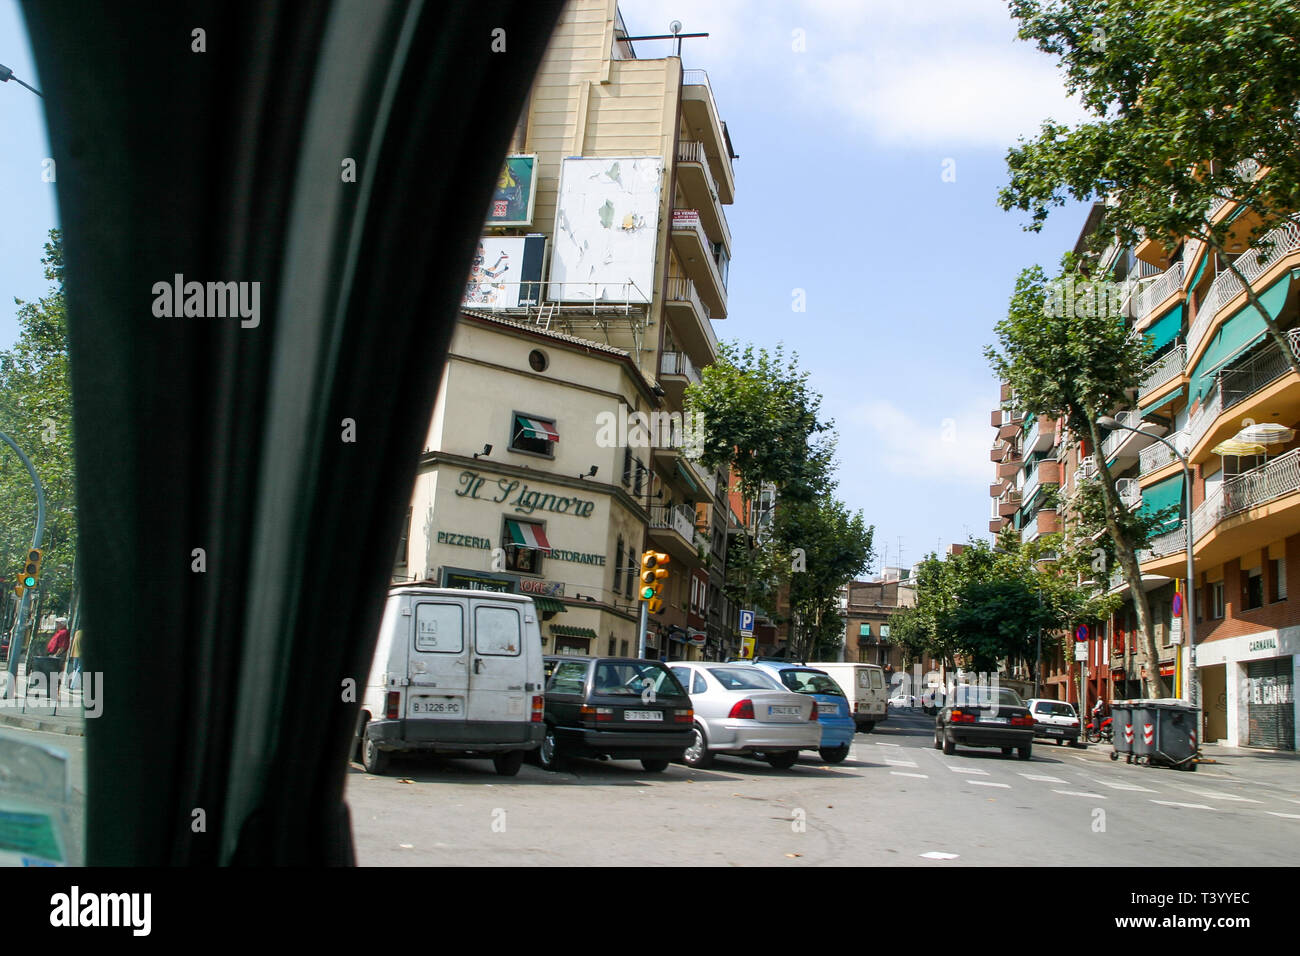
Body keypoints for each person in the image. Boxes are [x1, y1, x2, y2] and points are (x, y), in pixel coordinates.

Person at [67, 627, 84, 692]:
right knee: (79, 669)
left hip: (75, 653)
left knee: (75, 669)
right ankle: (72, 686)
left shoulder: (77, 632)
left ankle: (71, 684)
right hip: (81, 653)